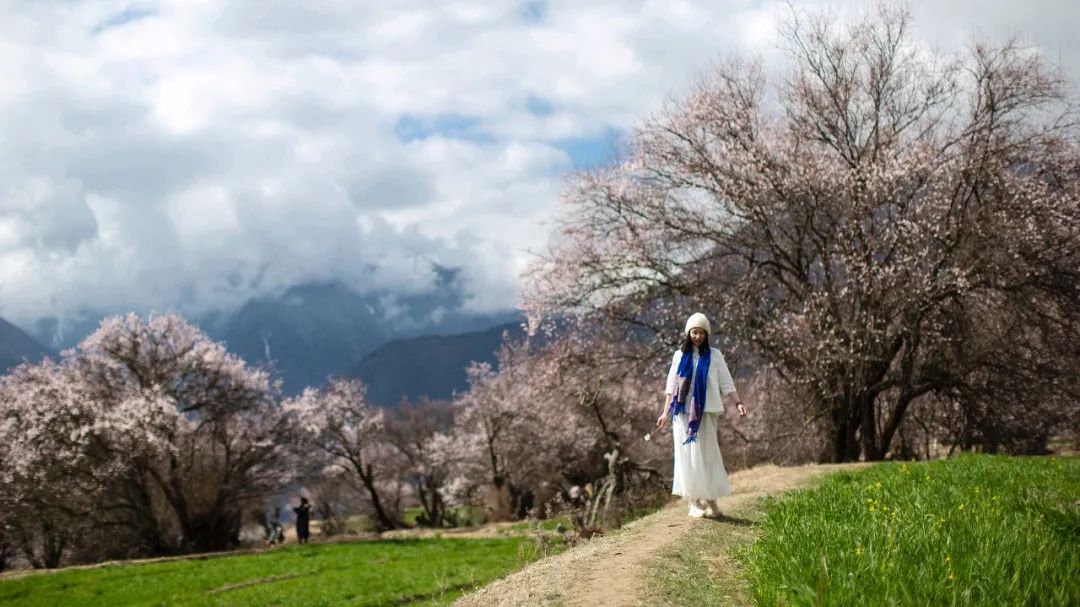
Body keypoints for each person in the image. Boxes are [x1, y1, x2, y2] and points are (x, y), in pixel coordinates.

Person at [655, 312, 747, 518]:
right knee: (688, 457)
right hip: (682, 414)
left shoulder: (715, 355)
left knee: (708, 455)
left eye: (702, 333)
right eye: (694, 332)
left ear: (707, 335)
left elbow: (726, 382)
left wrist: (738, 402)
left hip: (706, 412)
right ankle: (694, 502)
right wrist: (664, 413)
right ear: (689, 334)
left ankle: (712, 500)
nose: (698, 336)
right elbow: (671, 386)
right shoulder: (679, 356)